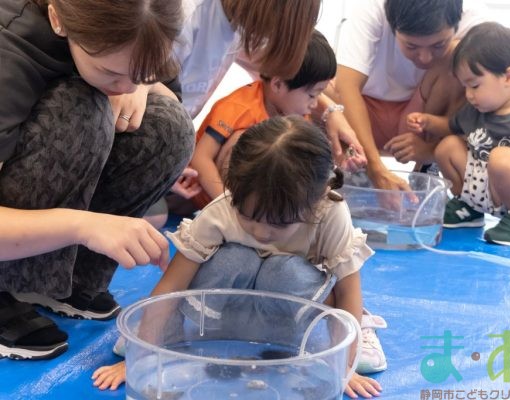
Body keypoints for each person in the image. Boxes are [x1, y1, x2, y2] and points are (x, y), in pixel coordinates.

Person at [92, 116, 383, 398]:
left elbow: (347, 292)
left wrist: (345, 366)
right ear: (233, 190)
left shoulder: (329, 213)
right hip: (226, 314)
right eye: (248, 216)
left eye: (279, 223)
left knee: (285, 270)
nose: (261, 232)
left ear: (318, 198)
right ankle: (171, 334)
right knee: (233, 259)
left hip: (289, 316)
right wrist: (142, 353)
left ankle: (338, 334)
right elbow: (172, 286)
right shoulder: (222, 212)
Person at [0, 0, 194, 360]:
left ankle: (59, 279)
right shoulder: (9, 51)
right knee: (81, 108)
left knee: (170, 126)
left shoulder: (145, 29)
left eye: (143, 71)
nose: (126, 85)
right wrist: (82, 226)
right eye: (111, 71)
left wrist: (142, 85)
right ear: (58, 19)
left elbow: (168, 98)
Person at [406, 22, 510, 246]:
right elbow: (450, 127)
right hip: (484, 186)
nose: (469, 94)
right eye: (465, 86)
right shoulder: (474, 111)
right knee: (448, 146)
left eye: (474, 85)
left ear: (509, 77)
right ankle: (469, 207)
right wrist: (427, 122)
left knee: (501, 157)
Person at [189, 30, 365, 209]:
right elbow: (200, 157)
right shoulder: (239, 107)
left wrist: (341, 162)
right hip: (204, 196)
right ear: (278, 84)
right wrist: (227, 205)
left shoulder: (296, 111)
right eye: (313, 94)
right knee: (248, 142)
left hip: (253, 205)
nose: (315, 104)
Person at [328, 0, 484, 191]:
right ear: (393, 28)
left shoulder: (475, 18)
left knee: (466, 54)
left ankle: (428, 164)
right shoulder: (371, 9)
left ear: (457, 23)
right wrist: (376, 170)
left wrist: (431, 151)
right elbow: (347, 87)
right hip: (363, 117)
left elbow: (497, 96)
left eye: (438, 45)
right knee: (321, 85)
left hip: (425, 121)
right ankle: (357, 161)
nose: (425, 57)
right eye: (412, 46)